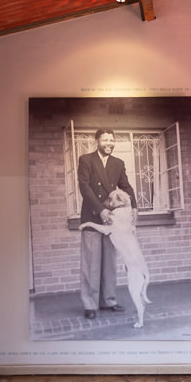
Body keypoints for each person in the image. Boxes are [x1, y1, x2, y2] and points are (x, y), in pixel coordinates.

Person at [77, 128, 136, 319]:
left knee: (109, 262)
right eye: (105, 140)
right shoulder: (86, 160)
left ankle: (108, 300)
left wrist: (134, 207)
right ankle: (90, 304)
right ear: (97, 141)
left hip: (112, 219)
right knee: (91, 263)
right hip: (93, 216)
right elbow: (85, 188)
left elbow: (125, 186)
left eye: (112, 140)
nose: (109, 143)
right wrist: (100, 210)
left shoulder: (118, 163)